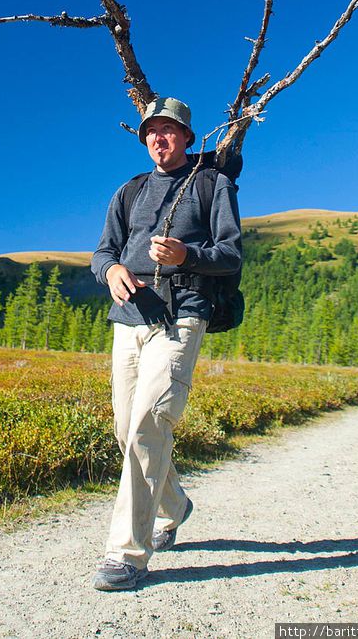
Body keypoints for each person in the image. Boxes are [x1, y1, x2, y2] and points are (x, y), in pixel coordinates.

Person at [90, 97, 242, 591]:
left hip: (182, 315)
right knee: (124, 429)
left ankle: (128, 554)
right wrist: (111, 270)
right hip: (128, 317)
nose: (159, 138)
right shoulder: (129, 191)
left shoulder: (211, 184)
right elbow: (103, 252)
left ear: (186, 137)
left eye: (169, 130)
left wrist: (186, 254)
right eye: (151, 131)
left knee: (149, 423)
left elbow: (230, 254)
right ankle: (174, 506)